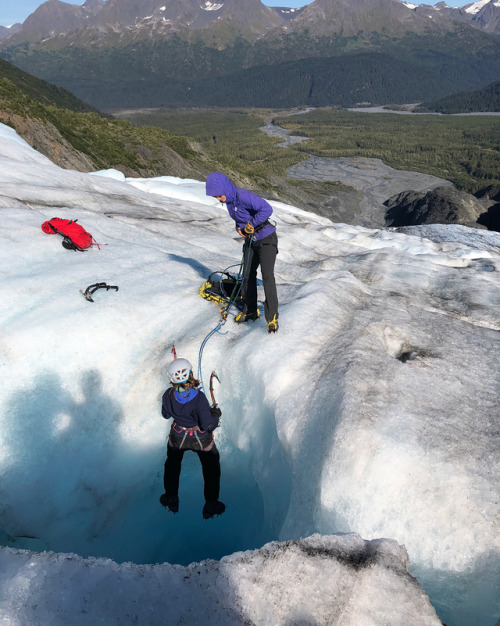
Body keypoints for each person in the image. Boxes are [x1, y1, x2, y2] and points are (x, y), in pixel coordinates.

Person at [206, 172, 279, 333]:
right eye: (215, 197)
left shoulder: (242, 195)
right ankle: (250, 310)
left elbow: (267, 209)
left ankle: (272, 317)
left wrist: (252, 224)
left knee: (267, 275)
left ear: (225, 189)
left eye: (219, 195)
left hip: (267, 239)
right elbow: (240, 219)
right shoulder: (230, 202)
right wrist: (240, 229)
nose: (218, 199)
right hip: (251, 241)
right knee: (247, 275)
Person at [159, 357, 225, 520]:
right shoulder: (199, 398)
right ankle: (210, 504)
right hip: (200, 439)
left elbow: (166, 415)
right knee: (211, 469)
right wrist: (215, 416)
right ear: (189, 374)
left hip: (177, 436)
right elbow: (208, 426)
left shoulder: (167, 395)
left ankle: (171, 498)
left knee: (172, 466)